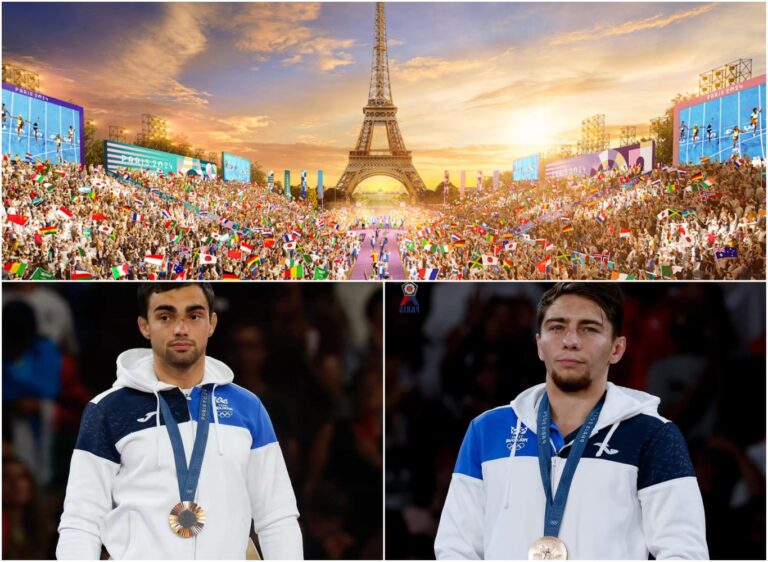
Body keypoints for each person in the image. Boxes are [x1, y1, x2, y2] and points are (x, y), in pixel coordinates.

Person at [434, 283, 708, 560]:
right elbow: (457, 548)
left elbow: (684, 553)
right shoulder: (488, 430)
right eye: (557, 327)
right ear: (540, 345)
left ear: (617, 348)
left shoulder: (652, 434)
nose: (571, 340)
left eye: (589, 328)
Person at [56, 283, 303, 560]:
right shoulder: (108, 410)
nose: (180, 329)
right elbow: (81, 521)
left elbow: (276, 516)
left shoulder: (247, 408)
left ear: (211, 323)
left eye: (194, 316)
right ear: (144, 325)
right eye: (165, 316)